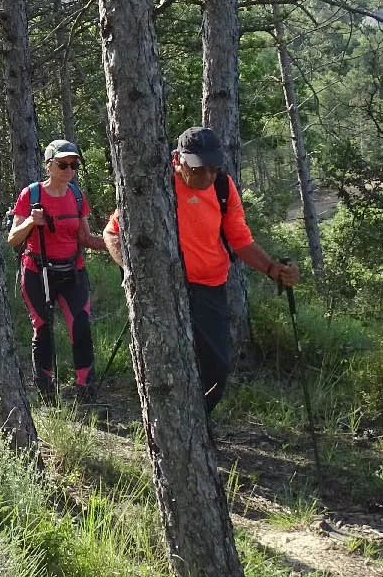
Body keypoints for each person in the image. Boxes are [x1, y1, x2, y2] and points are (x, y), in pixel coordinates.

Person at [103, 126, 301, 413]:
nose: (207, 176)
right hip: (166, 290)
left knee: (216, 371)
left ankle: (196, 427)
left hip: (210, 289)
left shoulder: (223, 186)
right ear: (178, 160)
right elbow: (112, 233)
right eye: (198, 168)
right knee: (168, 369)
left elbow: (240, 240)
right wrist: (134, 272)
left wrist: (272, 269)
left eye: (213, 167)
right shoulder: (157, 185)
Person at [7, 139, 108, 403]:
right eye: (63, 164)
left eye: (74, 164)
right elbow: (12, 239)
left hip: (72, 272)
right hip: (37, 272)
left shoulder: (77, 196)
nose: (69, 170)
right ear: (49, 165)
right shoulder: (31, 195)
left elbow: (86, 238)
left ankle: (85, 387)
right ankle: (45, 389)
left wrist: (115, 244)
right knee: (43, 328)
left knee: (81, 326)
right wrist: (31, 220)